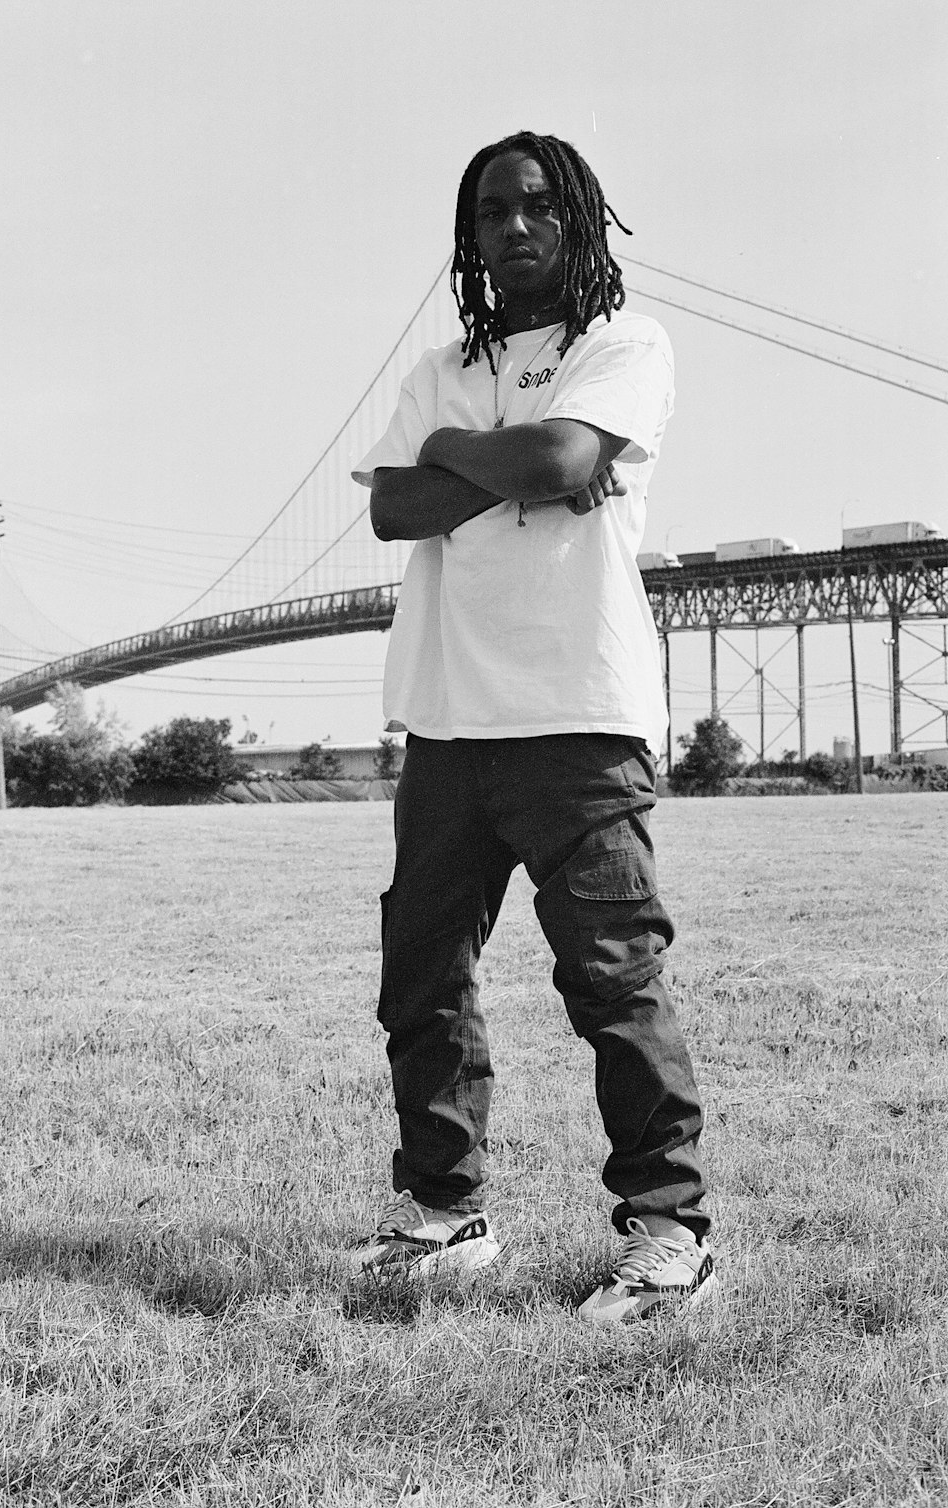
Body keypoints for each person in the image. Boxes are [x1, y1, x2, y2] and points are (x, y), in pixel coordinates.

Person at [350, 130, 717, 1324]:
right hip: (451, 721)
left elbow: (558, 449)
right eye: (492, 210)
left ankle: (670, 1235)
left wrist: (482, 459)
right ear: (470, 235)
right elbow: (391, 508)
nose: (515, 226)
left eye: (542, 206)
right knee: (423, 978)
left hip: (579, 714)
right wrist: (500, 462)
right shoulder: (439, 366)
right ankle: (445, 1217)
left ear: (582, 221)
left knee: (614, 983)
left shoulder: (624, 344)